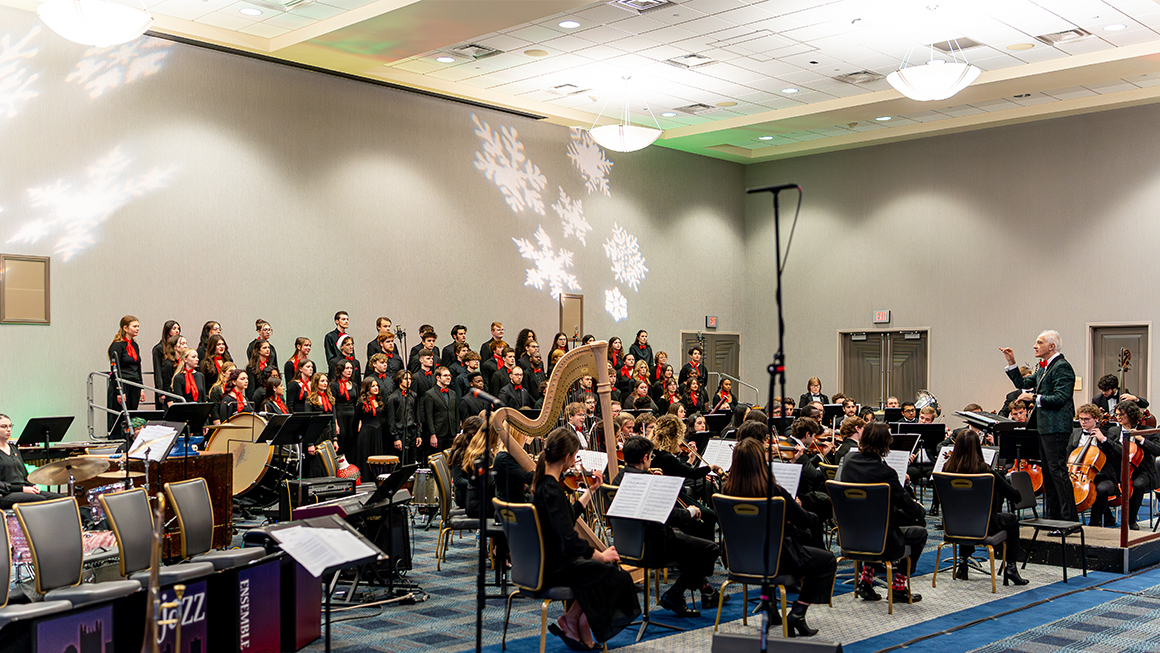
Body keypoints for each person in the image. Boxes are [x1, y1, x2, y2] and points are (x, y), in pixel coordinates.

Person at [532, 428, 639, 649]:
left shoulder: (544, 485)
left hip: (546, 561)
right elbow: (569, 539)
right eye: (575, 456)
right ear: (567, 457)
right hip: (554, 568)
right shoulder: (551, 490)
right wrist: (600, 555)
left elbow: (565, 517)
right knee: (613, 575)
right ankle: (578, 621)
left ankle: (575, 620)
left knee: (594, 573)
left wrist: (589, 491)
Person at [723, 437, 836, 636]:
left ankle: (773, 610)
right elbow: (805, 521)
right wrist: (798, 509)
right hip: (777, 560)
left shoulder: (726, 490)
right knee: (826, 561)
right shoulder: (774, 491)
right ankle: (798, 613)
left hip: (740, 559)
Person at [613, 435, 725, 618]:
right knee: (710, 550)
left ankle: (703, 591)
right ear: (644, 458)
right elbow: (670, 516)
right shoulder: (648, 482)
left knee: (693, 549)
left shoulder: (618, 478)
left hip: (626, 546)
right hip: (656, 547)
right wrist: (690, 511)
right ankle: (676, 593)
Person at [838, 422, 926, 603]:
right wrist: (920, 510)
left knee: (878, 521)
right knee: (920, 532)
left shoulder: (848, 461)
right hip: (881, 539)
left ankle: (866, 581)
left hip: (850, 534)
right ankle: (898, 587)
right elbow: (905, 502)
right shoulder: (886, 472)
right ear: (886, 444)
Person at [1001, 330, 1078, 521]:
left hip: (1057, 427)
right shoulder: (1044, 368)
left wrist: (1034, 397)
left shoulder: (1062, 367)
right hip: (1045, 427)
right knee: (1049, 474)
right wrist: (1012, 362)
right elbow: (1023, 382)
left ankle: (1068, 520)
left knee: (1058, 473)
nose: (1035, 346)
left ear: (1051, 346)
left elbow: (1061, 397)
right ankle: (1054, 517)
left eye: (1039, 342)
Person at [942, 429, 1028, 585]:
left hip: (953, 525)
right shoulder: (985, 471)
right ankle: (1011, 568)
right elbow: (1015, 496)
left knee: (966, 513)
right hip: (984, 526)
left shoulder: (946, 468)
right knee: (1012, 520)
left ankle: (962, 564)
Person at [0, 414, 67, 508]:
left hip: (22, 490)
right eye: (4, 426)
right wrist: (22, 489)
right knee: (39, 499)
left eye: (10, 426)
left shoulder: (14, 449)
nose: (9, 429)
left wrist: (32, 485)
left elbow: (24, 474)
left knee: (61, 498)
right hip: (5, 494)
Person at [1113, 401, 1160, 529]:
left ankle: (1131, 520)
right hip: (1119, 469)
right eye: (1117, 415)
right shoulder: (1113, 431)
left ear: (1132, 415)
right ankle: (1105, 518)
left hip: (1142, 470)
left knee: (1138, 485)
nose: (1118, 418)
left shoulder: (1148, 432)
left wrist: (1141, 439)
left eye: (1122, 415)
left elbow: (1158, 450)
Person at [107, 315, 145, 436]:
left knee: (132, 415)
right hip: (122, 384)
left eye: (138, 326)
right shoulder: (117, 345)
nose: (137, 329)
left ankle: (130, 439)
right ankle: (118, 439)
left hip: (134, 384)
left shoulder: (135, 345)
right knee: (120, 415)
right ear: (125, 328)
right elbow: (114, 370)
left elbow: (138, 367)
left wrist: (142, 387)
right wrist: (119, 390)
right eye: (134, 326)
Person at [420, 366, 459, 461]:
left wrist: (457, 432)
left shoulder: (453, 393)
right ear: (438, 377)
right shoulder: (430, 394)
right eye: (445, 375)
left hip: (451, 432)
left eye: (449, 376)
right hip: (438, 433)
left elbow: (456, 413)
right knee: (437, 460)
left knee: (450, 461)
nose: (448, 378)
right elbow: (429, 416)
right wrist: (432, 435)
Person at [304, 373, 337, 477]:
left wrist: (335, 439)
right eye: (322, 381)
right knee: (316, 465)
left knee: (329, 463)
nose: (325, 383)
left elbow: (333, 420)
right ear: (316, 383)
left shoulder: (330, 399)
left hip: (328, 433)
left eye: (326, 381)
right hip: (316, 434)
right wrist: (310, 444)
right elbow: (308, 422)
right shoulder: (310, 400)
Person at [387, 370, 420, 465]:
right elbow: (391, 419)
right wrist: (396, 437)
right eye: (406, 378)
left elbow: (417, 416)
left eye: (410, 378)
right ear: (399, 380)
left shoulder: (414, 395)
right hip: (400, 432)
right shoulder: (393, 397)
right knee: (400, 462)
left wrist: (418, 434)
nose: (408, 381)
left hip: (412, 432)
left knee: (412, 460)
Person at [354, 377, 385, 479]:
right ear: (367, 388)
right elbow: (355, 419)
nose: (376, 388)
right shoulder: (361, 402)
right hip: (366, 434)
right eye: (373, 386)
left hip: (377, 433)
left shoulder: (378, 401)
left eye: (377, 386)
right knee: (366, 459)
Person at [332, 360, 359, 459]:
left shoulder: (354, 385)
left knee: (351, 443)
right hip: (340, 415)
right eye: (347, 368)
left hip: (352, 416)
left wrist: (359, 420)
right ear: (341, 369)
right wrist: (335, 423)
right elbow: (333, 405)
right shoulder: (334, 385)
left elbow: (357, 403)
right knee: (342, 442)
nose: (349, 370)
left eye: (351, 368)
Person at [152, 320, 181, 409]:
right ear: (167, 331)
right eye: (174, 328)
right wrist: (160, 392)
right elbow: (158, 371)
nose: (177, 331)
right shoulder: (158, 348)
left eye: (178, 329)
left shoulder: (177, 348)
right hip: (164, 387)